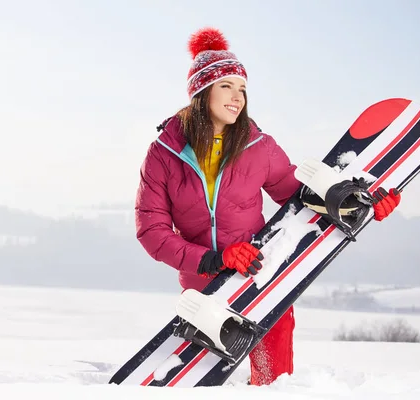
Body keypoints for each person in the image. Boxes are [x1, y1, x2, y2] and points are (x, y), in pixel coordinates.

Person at [134, 27, 402, 386]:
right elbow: (151, 230)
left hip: (260, 278)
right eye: (226, 86)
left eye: (242, 88)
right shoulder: (164, 154)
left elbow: (302, 197)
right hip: (204, 290)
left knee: (275, 383)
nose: (237, 97)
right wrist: (213, 260)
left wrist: (362, 204)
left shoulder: (258, 146)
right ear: (201, 92)